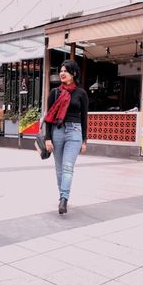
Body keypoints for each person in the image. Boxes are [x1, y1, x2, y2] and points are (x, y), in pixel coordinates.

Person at [44, 60, 89, 215]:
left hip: (74, 132)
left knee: (68, 167)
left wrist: (84, 140)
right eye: (61, 70)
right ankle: (62, 195)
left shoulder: (81, 93)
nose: (62, 73)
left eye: (66, 71)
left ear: (74, 74)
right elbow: (48, 117)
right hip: (57, 131)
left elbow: (84, 117)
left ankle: (64, 198)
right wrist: (47, 138)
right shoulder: (54, 93)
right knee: (59, 170)